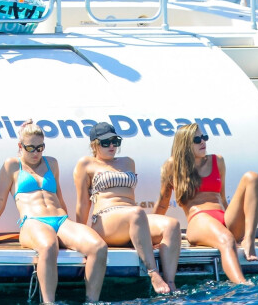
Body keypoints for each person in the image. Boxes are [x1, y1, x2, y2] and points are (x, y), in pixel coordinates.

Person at [0, 120, 107, 304]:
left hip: (60, 220)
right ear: (20, 146)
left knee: (98, 247)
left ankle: (92, 301)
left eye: (40, 147)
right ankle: (49, 302)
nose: (36, 152)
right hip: (33, 222)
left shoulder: (52, 163)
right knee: (48, 245)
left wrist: (72, 227)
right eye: (31, 148)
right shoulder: (12, 165)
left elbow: (59, 196)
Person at [74, 122, 180, 294]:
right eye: (105, 142)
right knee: (137, 213)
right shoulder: (86, 164)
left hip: (130, 217)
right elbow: (83, 203)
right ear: (94, 144)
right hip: (105, 219)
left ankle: (170, 283)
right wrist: (80, 237)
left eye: (115, 141)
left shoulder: (128, 162)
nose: (111, 146)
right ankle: (153, 273)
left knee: (172, 225)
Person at [154, 123, 258, 284]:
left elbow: (222, 197)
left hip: (223, 217)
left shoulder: (217, 160)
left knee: (252, 177)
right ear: (184, 144)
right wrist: (150, 233)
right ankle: (243, 285)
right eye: (197, 139)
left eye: (204, 137)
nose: (203, 142)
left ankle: (249, 239)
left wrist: (234, 222)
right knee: (226, 239)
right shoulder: (172, 165)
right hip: (199, 220)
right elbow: (163, 203)